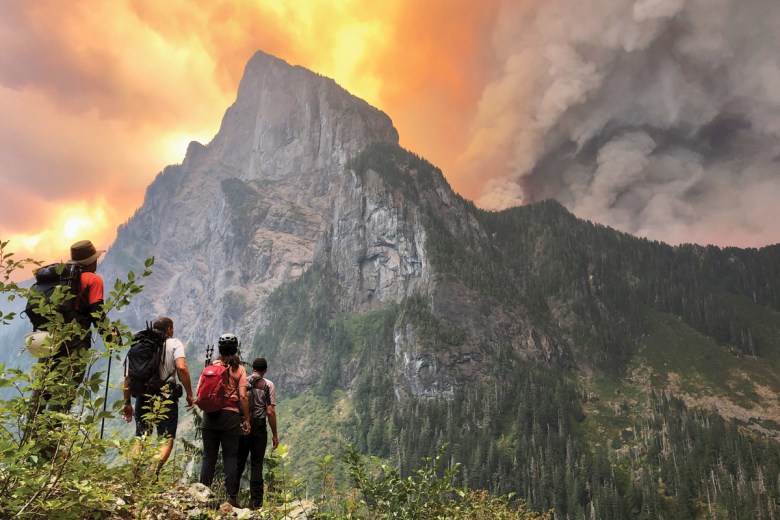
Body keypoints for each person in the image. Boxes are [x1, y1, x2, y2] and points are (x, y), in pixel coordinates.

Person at [122, 317, 195, 471]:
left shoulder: (140, 344)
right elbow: (181, 368)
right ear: (169, 329)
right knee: (166, 438)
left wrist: (127, 403)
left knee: (141, 436)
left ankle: (135, 473)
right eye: (172, 328)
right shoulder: (174, 344)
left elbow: (128, 378)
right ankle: (151, 472)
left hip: (143, 395)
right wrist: (189, 394)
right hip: (166, 396)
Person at [198, 333, 250, 508]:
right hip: (230, 416)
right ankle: (232, 498)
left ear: (219, 349)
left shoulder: (211, 367)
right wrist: (247, 419)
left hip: (210, 416)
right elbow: (243, 396)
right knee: (230, 456)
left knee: (208, 456)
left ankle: (202, 493)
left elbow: (200, 391)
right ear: (235, 349)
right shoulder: (239, 369)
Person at [236, 357, 279, 509]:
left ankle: (232, 496)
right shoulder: (268, 385)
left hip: (243, 427)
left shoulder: (243, 382)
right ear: (265, 370)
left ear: (253, 368)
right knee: (256, 463)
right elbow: (270, 411)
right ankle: (255, 503)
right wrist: (275, 434)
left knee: (239, 461)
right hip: (259, 428)